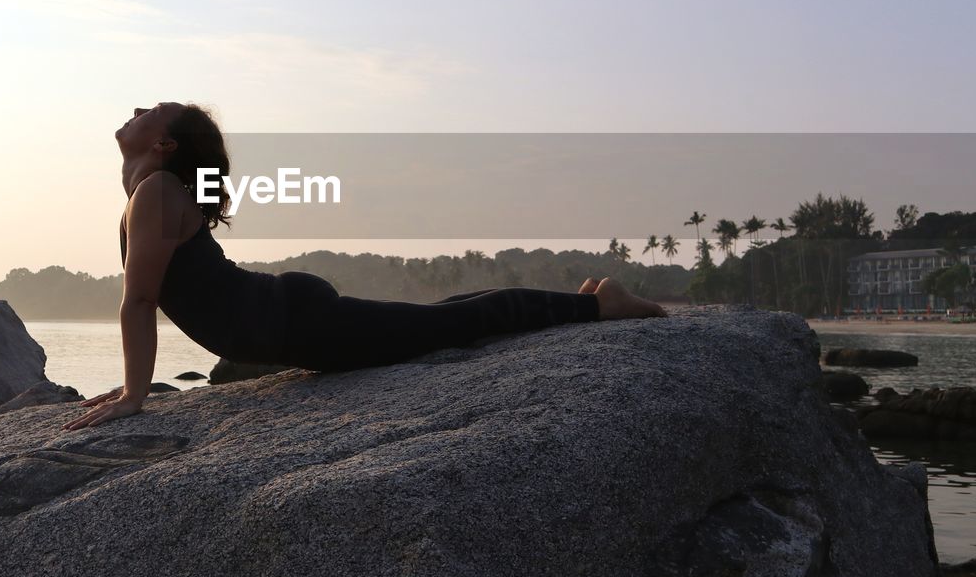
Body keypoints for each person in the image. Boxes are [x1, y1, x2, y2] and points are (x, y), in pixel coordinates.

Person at [63, 102, 667, 431]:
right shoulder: (157, 191)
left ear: (164, 145)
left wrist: (136, 395)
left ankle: (597, 304)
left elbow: (140, 301)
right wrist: (133, 387)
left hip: (299, 323)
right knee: (441, 319)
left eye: (154, 109)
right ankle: (579, 299)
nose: (139, 108)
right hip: (291, 318)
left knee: (453, 324)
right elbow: (145, 299)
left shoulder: (158, 191)